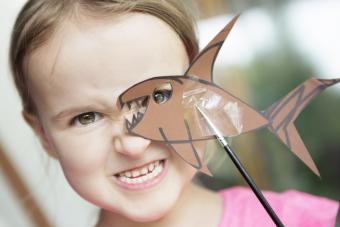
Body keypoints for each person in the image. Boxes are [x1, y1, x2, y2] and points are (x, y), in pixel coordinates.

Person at [9, 0, 338, 226]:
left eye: (159, 97)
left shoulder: (313, 220)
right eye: (87, 117)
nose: (134, 145)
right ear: (43, 135)